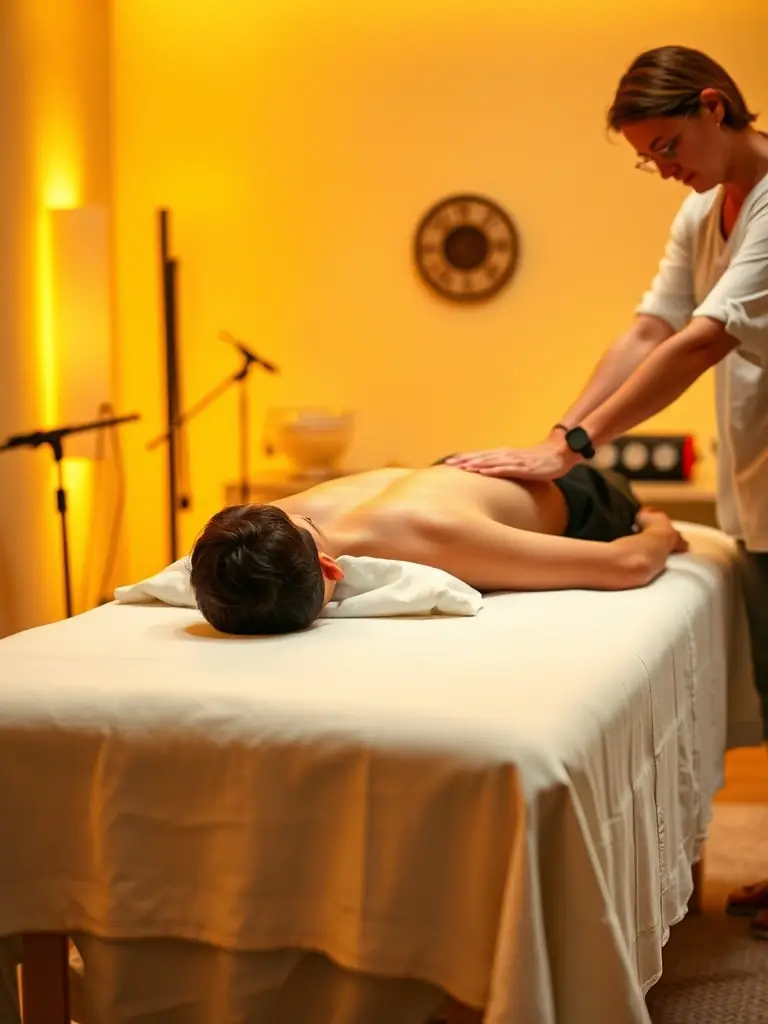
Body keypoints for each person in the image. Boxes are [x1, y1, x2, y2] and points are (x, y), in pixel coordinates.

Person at [446, 45, 768, 938]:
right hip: (759, 476)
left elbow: (702, 342)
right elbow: (648, 329)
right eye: (647, 158)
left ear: (716, 106)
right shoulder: (704, 212)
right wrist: (558, 438)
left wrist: (579, 446)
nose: (662, 170)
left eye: (666, 145)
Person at [190, 460, 687, 635]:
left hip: (580, 493)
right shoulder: (266, 522)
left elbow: (628, 563)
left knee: (623, 492)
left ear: (332, 570)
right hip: (453, 476)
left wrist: (658, 529)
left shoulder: (430, 535)